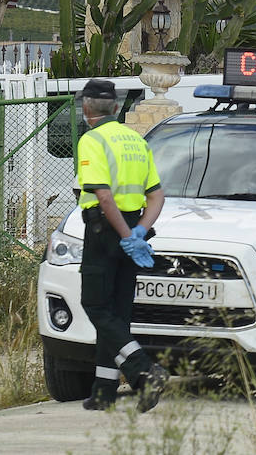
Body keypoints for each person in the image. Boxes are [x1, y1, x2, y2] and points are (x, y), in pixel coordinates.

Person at [75, 78, 170, 411]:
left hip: (105, 231)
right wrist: (140, 231)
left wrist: (125, 235)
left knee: (96, 306)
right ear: (116, 108)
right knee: (117, 312)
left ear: (86, 108)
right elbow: (156, 196)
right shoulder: (136, 140)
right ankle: (103, 391)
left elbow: (102, 195)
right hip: (131, 229)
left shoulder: (92, 140)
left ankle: (143, 370)